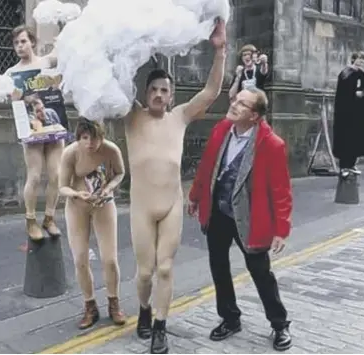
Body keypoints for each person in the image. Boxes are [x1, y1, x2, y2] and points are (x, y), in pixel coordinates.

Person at [123, 19, 227, 354]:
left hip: (170, 206)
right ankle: (142, 308)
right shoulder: (131, 115)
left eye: (163, 90)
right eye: (152, 89)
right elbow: (104, 88)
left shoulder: (180, 117)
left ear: (171, 97)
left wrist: (221, 49)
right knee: (143, 273)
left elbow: (211, 93)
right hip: (140, 207)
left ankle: (159, 326)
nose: (157, 94)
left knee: (165, 267)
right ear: (144, 94)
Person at [188, 87, 293, 351]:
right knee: (219, 267)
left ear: (255, 115)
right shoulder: (222, 129)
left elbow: (281, 190)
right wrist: (195, 196)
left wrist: (281, 229)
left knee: (260, 273)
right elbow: (207, 167)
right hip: (219, 213)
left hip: (250, 219)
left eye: (242, 104)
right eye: (235, 100)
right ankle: (230, 318)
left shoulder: (271, 144)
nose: (233, 104)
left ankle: (279, 324)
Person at [58, 119, 127, 329]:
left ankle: (114, 302)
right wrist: (76, 193)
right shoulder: (70, 153)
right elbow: (62, 187)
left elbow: (120, 173)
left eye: (94, 137)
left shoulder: (110, 150)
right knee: (80, 258)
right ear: (78, 137)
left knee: (110, 259)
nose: (90, 143)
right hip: (77, 205)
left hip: (103, 203)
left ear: (102, 136)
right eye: (85, 137)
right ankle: (90, 305)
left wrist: (109, 188)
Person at [5, 25, 64, 241]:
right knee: (35, 175)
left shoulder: (46, 62)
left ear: (32, 42)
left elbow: (61, 51)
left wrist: (63, 30)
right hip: (30, 129)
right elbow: (12, 100)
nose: (20, 46)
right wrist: (16, 95)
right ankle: (31, 221)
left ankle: (49, 218)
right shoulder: (11, 73)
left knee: (56, 174)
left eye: (23, 41)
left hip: (54, 123)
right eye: (16, 43)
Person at [332, 51, 364, 175]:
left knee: (356, 139)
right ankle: (344, 166)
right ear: (353, 60)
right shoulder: (345, 73)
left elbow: (363, 88)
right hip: (346, 113)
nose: (362, 62)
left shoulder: (361, 74)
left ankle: (352, 164)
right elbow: (342, 93)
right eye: (360, 59)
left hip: (358, 113)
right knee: (346, 139)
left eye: (363, 60)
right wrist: (354, 94)